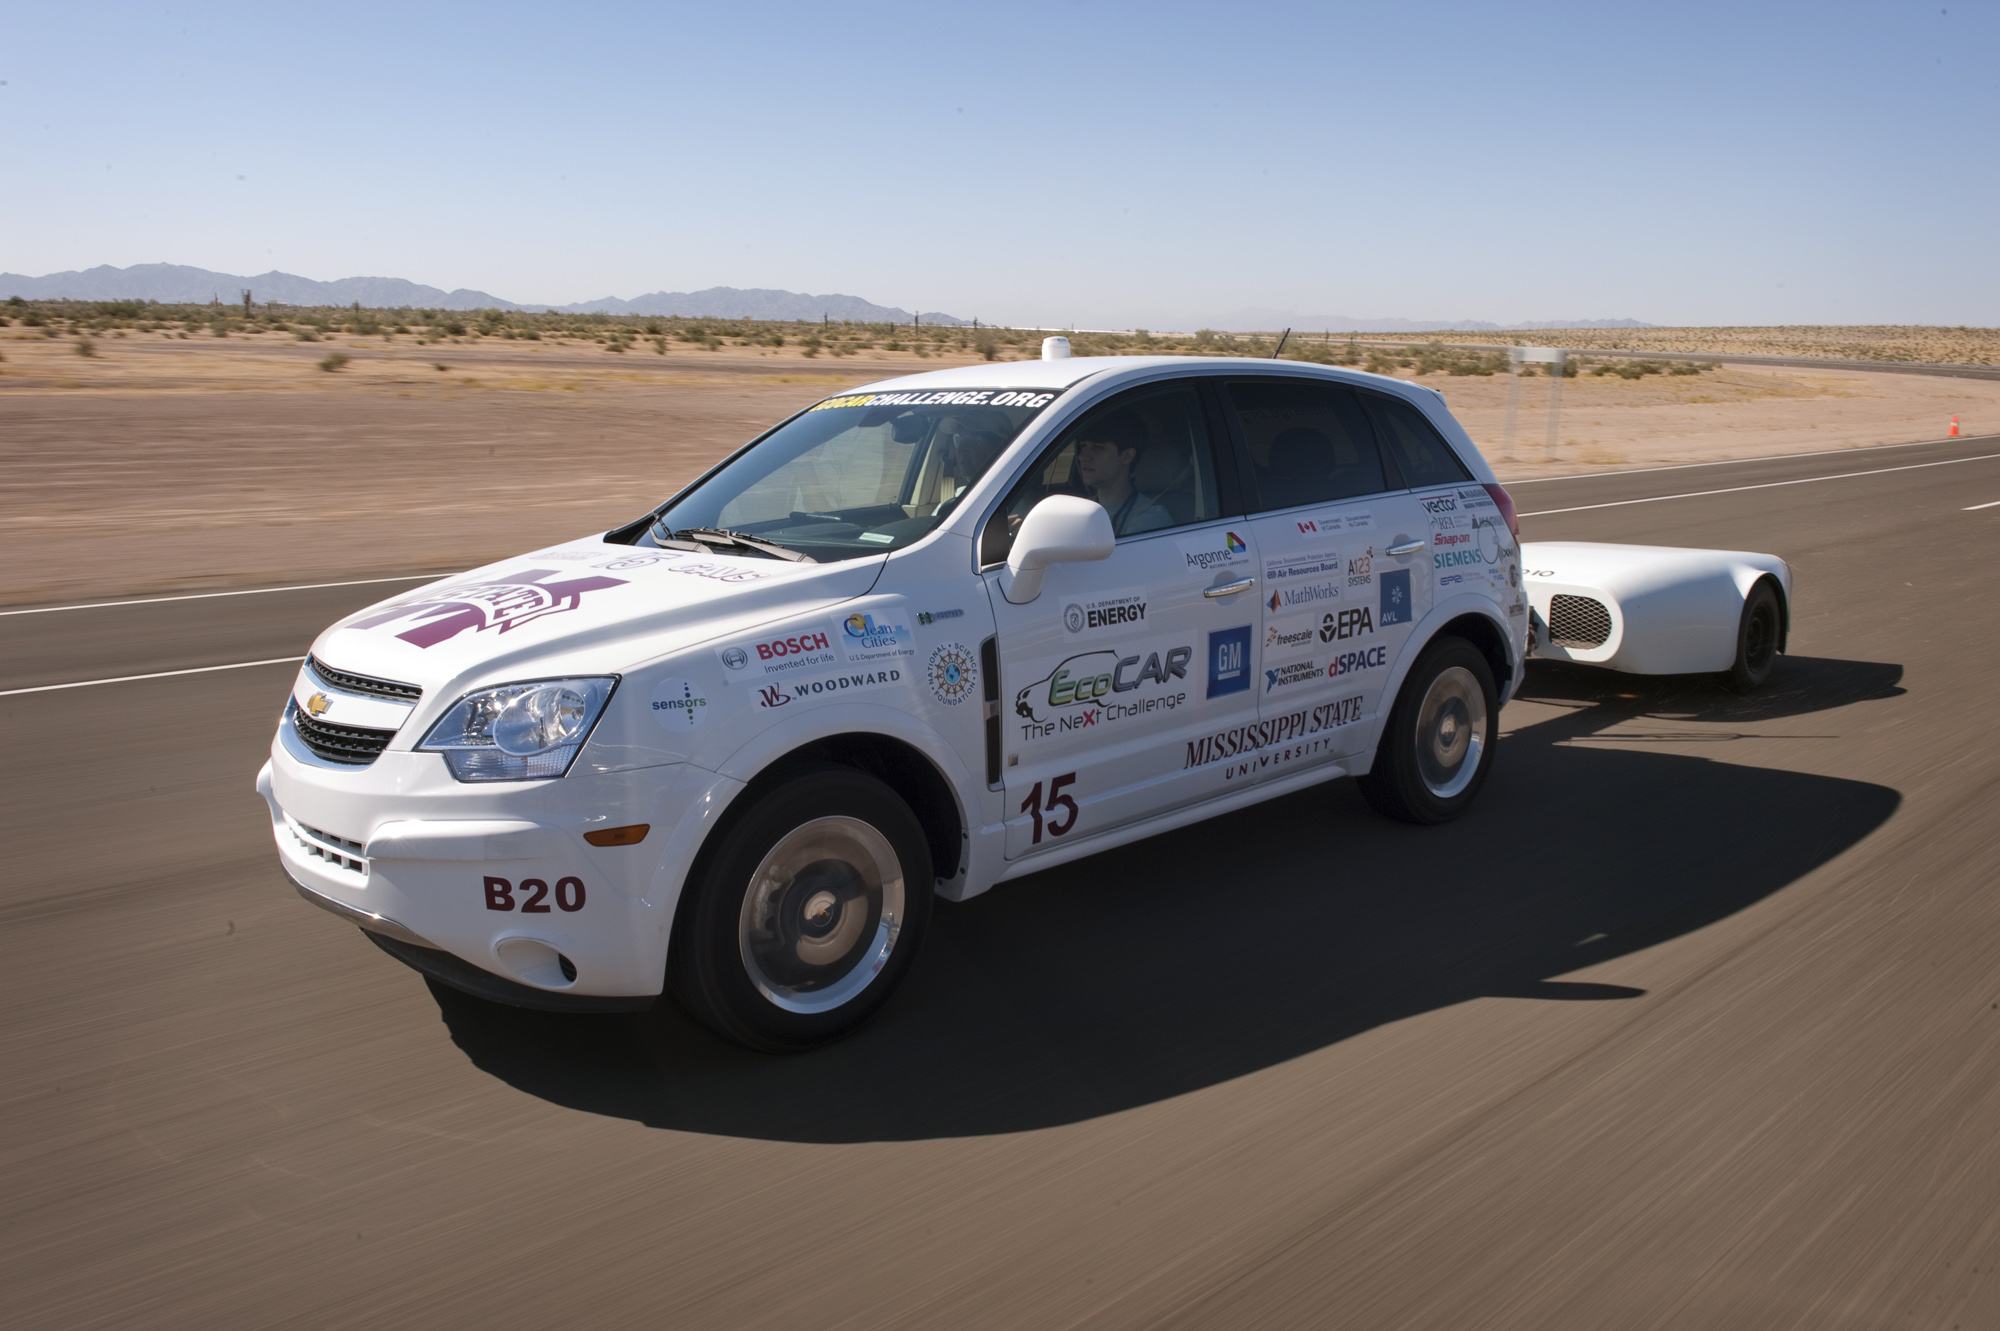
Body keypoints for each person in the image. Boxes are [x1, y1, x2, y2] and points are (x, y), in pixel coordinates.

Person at [1075, 410, 1170, 535]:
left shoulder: (1150, 519)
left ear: (1127, 456)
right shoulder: (1079, 511)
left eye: (1097, 447)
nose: (1083, 456)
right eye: (1083, 446)